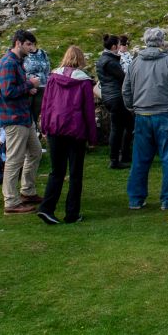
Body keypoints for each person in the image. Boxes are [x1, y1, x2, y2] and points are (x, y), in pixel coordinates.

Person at [37, 46, 98, 225]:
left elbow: (46, 103)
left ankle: (47, 207)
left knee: (56, 171)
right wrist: (92, 137)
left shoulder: (53, 79)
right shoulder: (84, 82)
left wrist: (45, 125)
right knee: (75, 173)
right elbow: (88, 110)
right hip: (76, 130)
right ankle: (72, 213)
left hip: (55, 128)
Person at [123, 27, 168, 211]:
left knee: (140, 159)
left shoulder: (134, 63)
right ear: (162, 42)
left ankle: (135, 199)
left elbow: (126, 90)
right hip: (167, 115)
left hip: (142, 115)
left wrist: (133, 107)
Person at [0, 30, 44, 215]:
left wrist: (27, 89)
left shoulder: (16, 62)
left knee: (35, 151)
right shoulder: (8, 63)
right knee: (14, 159)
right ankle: (11, 201)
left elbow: (15, 89)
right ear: (19, 43)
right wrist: (30, 84)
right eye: (29, 44)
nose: (32, 49)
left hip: (23, 116)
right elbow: (8, 92)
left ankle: (27, 191)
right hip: (14, 118)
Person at [97, 35, 132, 169]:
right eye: (119, 44)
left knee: (126, 125)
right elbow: (123, 78)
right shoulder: (110, 62)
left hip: (109, 96)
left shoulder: (103, 59)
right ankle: (115, 159)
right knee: (119, 127)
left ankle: (123, 155)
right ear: (113, 47)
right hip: (116, 97)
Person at [24, 45, 51, 129]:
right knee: (28, 114)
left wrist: (48, 85)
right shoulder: (23, 54)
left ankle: (36, 133)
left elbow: (47, 70)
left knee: (37, 113)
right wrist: (29, 86)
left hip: (43, 87)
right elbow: (21, 73)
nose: (30, 45)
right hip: (29, 88)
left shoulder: (42, 53)